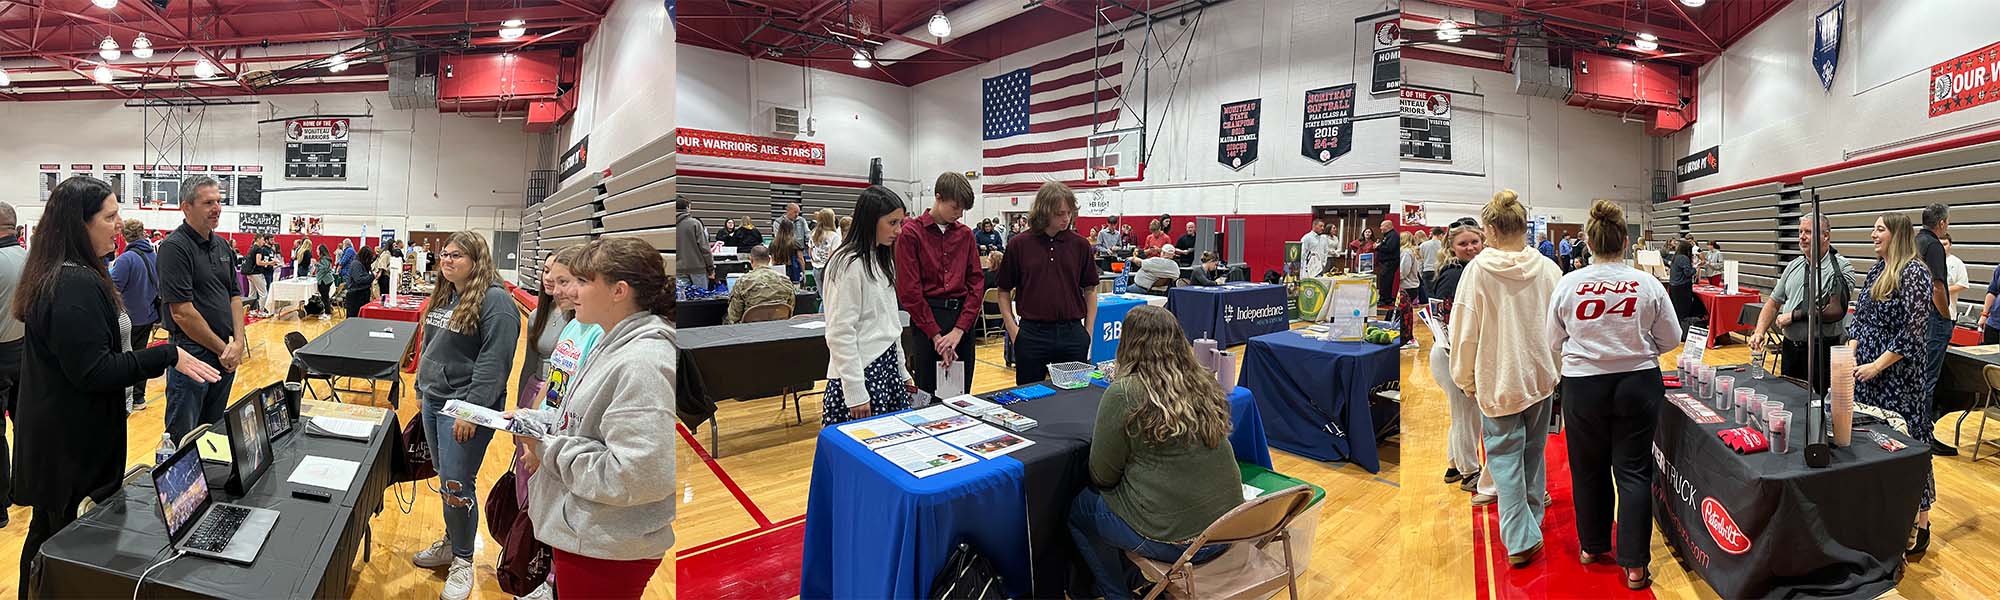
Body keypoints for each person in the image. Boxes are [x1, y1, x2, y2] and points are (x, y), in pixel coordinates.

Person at [13, 176, 220, 595]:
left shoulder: (67, 274)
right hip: (69, 448)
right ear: (79, 224)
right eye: (110, 217)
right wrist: (169, 355)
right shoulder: (72, 283)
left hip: (64, 441)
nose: (119, 224)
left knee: (47, 540)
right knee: (61, 549)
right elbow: (94, 371)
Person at [498, 237, 673, 599]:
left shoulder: (644, 363)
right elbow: (582, 424)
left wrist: (546, 446)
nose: (569, 291)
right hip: (587, 532)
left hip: (608, 545)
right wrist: (537, 421)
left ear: (618, 291)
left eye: (583, 281)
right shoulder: (612, 344)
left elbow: (632, 475)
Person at [1545, 201, 1681, 590]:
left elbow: (1553, 340)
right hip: (1638, 383)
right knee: (1634, 471)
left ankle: (1592, 546)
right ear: (1626, 240)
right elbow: (1671, 338)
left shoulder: (1568, 284)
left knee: (1589, 468)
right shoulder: (1648, 283)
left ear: (1587, 241)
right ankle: (1635, 565)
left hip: (1584, 384)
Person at [1067, 305, 1239, 600]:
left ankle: (1116, 593)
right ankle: (1138, 579)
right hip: (1231, 528)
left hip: (1179, 541)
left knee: (1079, 510)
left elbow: (1102, 476)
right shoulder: (1205, 383)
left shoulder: (1124, 392)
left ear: (1127, 343)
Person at [1448, 189, 1562, 568]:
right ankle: (1532, 523)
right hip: (1539, 378)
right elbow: (1561, 329)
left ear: (1491, 229)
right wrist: (1555, 370)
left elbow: (1464, 333)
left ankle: (1520, 537)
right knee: (1531, 455)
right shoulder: (1549, 269)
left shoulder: (1477, 272)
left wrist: (1464, 379)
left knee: (1504, 461)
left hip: (1497, 381)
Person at [410, 231, 521, 600]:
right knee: (446, 479)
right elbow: (430, 345)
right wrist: (421, 388)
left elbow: (494, 364)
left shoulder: (496, 303)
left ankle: (462, 559)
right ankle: (451, 541)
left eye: (457, 255)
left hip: (464, 408)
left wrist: (471, 410)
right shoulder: (447, 294)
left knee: (458, 484)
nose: (447, 260)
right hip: (433, 398)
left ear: (477, 260)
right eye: (445, 254)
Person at [1848, 213, 1937, 555]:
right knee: (1871, 445)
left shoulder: (1915, 273)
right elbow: (1860, 320)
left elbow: (1913, 333)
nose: (1872, 234)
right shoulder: (1876, 270)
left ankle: (1920, 524)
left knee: (1909, 448)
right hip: (1866, 378)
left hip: (1897, 381)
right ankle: (1880, 517)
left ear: (1897, 234)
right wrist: (1853, 354)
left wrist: (1876, 365)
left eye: (1879, 229)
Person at [157, 176, 244, 443]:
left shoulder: (221, 246)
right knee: (183, 436)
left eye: (218, 201)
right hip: (191, 353)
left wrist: (238, 342)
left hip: (224, 352)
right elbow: (182, 313)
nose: (216, 207)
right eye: (208, 202)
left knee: (212, 432)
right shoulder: (175, 248)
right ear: (186, 207)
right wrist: (224, 349)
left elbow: (235, 295)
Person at [822, 186, 916, 425]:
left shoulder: (882, 259)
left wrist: (902, 371)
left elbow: (890, 324)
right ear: (871, 221)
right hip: (861, 375)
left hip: (887, 370)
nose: (899, 230)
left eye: (901, 222)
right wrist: (854, 390)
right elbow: (840, 332)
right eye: (892, 222)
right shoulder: (847, 264)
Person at [996, 182, 1101, 384]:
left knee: (1073, 401)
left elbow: (1090, 289)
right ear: (1044, 212)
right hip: (1032, 334)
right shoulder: (1019, 245)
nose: (1066, 218)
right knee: (1030, 400)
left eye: (1069, 212)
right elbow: (1003, 291)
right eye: (1059, 213)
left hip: (1072, 333)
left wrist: (1087, 333)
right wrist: (1014, 331)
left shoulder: (1080, 245)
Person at [895, 173, 984, 399]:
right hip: (927, 321)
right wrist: (936, 337)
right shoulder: (911, 233)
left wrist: (959, 331)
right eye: (955, 207)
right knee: (927, 396)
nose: (959, 214)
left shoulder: (965, 235)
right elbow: (909, 290)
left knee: (961, 395)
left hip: (960, 321)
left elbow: (976, 284)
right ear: (938, 197)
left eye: (963, 209)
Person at [1748, 213, 1855, 396]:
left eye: (1808, 232)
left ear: (1826, 236)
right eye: (1800, 232)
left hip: (1823, 352)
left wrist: (1794, 315)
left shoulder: (1841, 267)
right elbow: (1773, 303)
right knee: (1790, 401)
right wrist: (1759, 331)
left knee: (1820, 407)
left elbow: (1833, 310)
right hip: (1791, 349)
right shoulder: (1793, 266)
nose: (1802, 237)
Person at [1429, 221, 1495, 503]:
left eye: (1474, 242)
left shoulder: (1472, 271)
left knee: (1464, 416)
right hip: (1450, 354)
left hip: (1458, 353)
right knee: (1466, 418)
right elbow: (1452, 326)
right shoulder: (1454, 275)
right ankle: (1470, 472)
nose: (1470, 248)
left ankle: (1454, 466)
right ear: (1452, 248)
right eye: (1463, 244)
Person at [109, 218, 160, 410]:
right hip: (148, 314)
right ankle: (139, 397)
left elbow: (112, 288)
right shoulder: (153, 256)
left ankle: (125, 399)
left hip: (128, 317)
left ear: (124, 236)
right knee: (140, 356)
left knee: (125, 359)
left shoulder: (126, 259)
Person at [727, 246, 797, 324]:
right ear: (769, 259)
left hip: (751, 328)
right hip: (779, 325)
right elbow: (790, 308)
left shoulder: (743, 281)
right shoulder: (785, 280)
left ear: (751, 260)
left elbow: (734, 316)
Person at [676, 196, 714, 289]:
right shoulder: (694, 223)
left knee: (682, 299)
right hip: (697, 269)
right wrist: (711, 268)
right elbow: (704, 248)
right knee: (701, 298)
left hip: (679, 269)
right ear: (687, 207)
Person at [1665, 239, 1701, 331]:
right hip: (1682, 287)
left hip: (1674, 286)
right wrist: (1695, 269)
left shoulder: (1676, 257)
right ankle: (1684, 330)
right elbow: (1688, 273)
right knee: (1683, 311)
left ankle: (1677, 329)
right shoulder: (1683, 258)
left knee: (1677, 310)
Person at [1399, 233, 1421, 350]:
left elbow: (1403, 271)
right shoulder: (1409, 251)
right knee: (1405, 314)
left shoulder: (1406, 252)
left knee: (1405, 315)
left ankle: (1408, 339)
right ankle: (1407, 338)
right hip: (1409, 286)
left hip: (1407, 286)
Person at [240, 235, 270, 318]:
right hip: (256, 273)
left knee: (252, 293)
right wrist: (270, 263)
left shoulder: (251, 248)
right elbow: (258, 262)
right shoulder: (258, 249)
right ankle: (261, 311)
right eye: (263, 240)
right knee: (263, 293)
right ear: (258, 239)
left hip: (249, 274)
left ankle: (252, 311)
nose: (264, 242)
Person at [810, 208, 841, 287]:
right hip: (827, 269)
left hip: (816, 267)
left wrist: (815, 261)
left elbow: (810, 251)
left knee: (822, 295)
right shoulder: (834, 236)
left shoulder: (813, 233)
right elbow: (833, 255)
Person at [344, 246, 377, 317]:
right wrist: (372, 276)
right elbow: (359, 279)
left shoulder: (361, 263)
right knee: (353, 319)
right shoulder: (356, 264)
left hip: (362, 294)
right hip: (356, 296)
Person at [1375, 220, 1399, 311]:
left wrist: (1378, 247)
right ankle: (1387, 299)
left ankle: (1383, 299)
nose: (1380, 228)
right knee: (1386, 280)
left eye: (1382, 226)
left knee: (1385, 281)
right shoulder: (1389, 236)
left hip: (1390, 262)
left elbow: (1389, 248)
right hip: (1387, 262)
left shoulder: (1393, 236)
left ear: (1388, 226)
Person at [311, 244, 336, 320]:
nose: (316, 251)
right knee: (325, 298)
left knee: (325, 298)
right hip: (326, 280)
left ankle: (328, 313)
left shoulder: (324, 259)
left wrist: (316, 264)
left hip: (324, 281)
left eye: (317, 250)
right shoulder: (325, 258)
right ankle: (327, 312)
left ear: (321, 251)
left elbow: (324, 268)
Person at [1945, 234, 1969, 311]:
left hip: (1949, 310)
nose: (1942, 247)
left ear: (1950, 245)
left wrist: (1942, 290)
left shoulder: (1957, 262)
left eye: (1945, 244)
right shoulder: (1930, 260)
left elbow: (1963, 284)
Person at [1419, 226, 1443, 301]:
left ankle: (1430, 310)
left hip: (1427, 270)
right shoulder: (1443, 245)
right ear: (1441, 235)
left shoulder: (1423, 245)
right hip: (1439, 270)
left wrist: (1421, 273)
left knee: (1429, 293)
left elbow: (1420, 260)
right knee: (1438, 293)